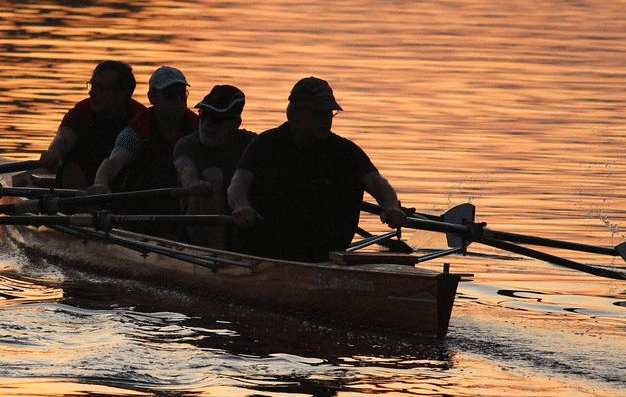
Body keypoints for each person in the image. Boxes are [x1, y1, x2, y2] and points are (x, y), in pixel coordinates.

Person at [227, 77, 406, 262]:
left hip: (325, 253)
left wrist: (391, 206)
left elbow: (377, 182)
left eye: (329, 113)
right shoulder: (266, 145)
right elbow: (238, 183)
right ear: (294, 113)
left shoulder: (344, 150)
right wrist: (242, 206)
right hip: (268, 252)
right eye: (318, 113)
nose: (326, 120)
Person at [88, 66, 199, 196]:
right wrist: (101, 183)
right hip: (141, 196)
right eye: (169, 95)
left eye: (181, 94)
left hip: (181, 194)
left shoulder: (196, 125)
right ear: (151, 98)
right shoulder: (139, 127)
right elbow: (114, 162)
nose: (177, 100)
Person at [38, 60, 147, 189]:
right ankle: (86, 206)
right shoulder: (83, 110)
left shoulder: (141, 117)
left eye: (100, 89)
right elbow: (64, 138)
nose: (91, 93)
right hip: (80, 184)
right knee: (71, 161)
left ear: (121, 94)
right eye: (92, 86)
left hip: (121, 182)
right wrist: (54, 152)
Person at [173, 84, 257, 249]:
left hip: (238, 226)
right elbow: (185, 169)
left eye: (217, 119)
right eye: (203, 115)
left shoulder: (251, 142)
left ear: (236, 123)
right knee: (213, 175)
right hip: (195, 231)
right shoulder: (186, 144)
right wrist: (193, 184)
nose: (207, 124)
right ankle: (217, 256)